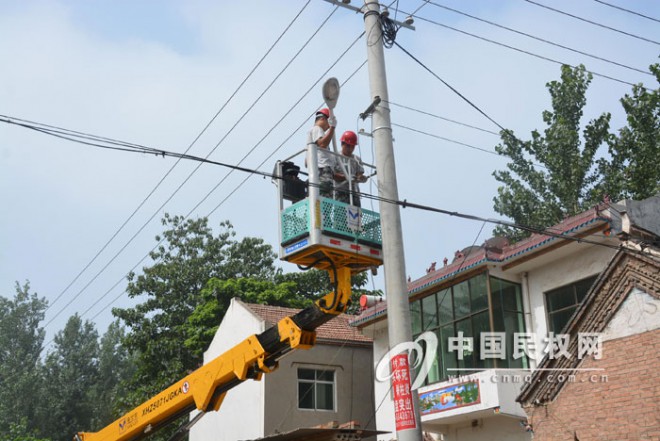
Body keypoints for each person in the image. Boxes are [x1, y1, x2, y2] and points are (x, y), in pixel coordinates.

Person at [305, 108, 337, 198]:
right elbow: (323, 144)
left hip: (318, 171)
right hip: (323, 171)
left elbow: (306, 162)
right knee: (325, 200)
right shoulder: (317, 129)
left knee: (322, 201)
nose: (328, 127)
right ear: (323, 119)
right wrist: (333, 127)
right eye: (329, 122)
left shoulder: (311, 134)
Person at [334, 130, 367, 207]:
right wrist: (346, 177)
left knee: (356, 216)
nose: (350, 149)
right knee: (341, 216)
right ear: (342, 144)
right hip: (340, 191)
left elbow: (359, 174)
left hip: (354, 193)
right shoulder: (335, 157)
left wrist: (361, 178)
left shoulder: (356, 159)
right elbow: (332, 174)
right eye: (348, 146)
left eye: (352, 146)